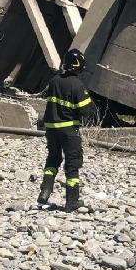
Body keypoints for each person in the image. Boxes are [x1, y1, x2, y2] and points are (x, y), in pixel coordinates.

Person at [38, 49, 91, 211]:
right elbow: (86, 110)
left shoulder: (54, 81)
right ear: (79, 66)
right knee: (72, 164)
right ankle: (72, 202)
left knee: (53, 159)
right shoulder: (77, 84)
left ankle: (45, 191)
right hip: (68, 130)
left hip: (51, 129)